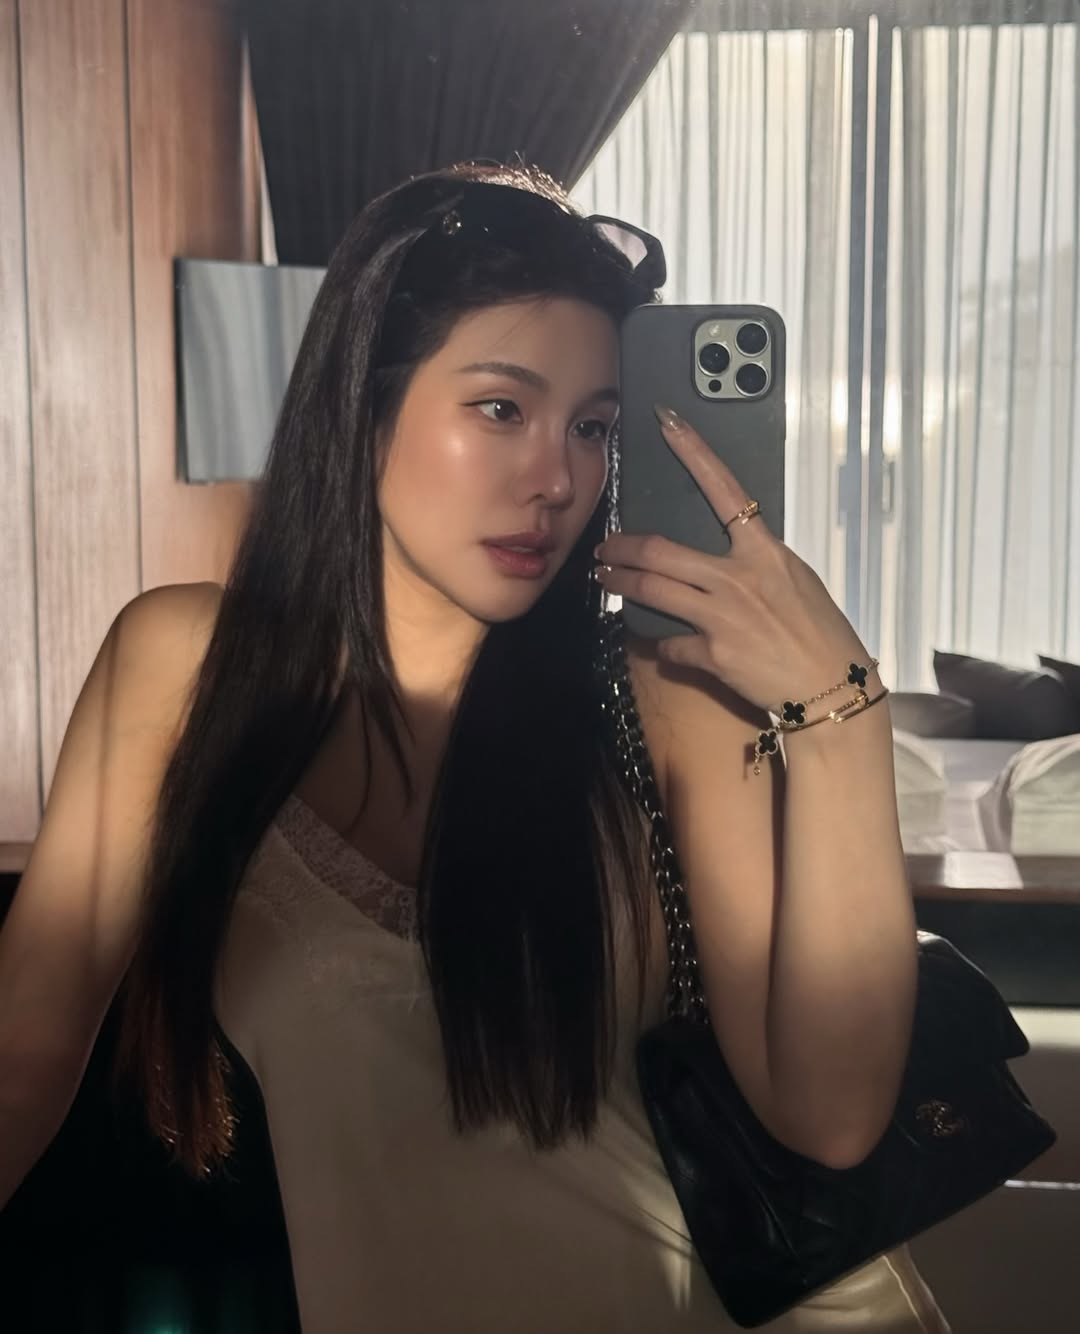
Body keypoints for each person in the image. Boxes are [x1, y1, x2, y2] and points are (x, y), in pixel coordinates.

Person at [0, 163, 950, 1332]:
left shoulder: (666, 692)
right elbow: (23, 1055)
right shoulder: (186, 669)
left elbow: (831, 1115)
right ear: (365, 403)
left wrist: (843, 711)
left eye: (593, 428)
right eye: (502, 409)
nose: (557, 479)